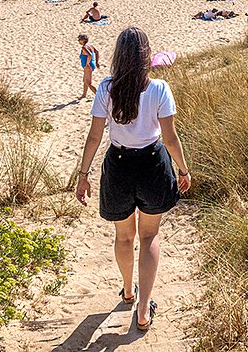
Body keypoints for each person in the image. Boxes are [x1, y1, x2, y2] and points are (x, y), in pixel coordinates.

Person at [75, 27, 190, 333]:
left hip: (119, 165)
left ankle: (128, 291)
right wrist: (183, 169)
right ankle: (143, 309)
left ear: (117, 57)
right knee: (149, 237)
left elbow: (94, 137)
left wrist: (83, 175)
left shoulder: (106, 89)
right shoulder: (159, 88)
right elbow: (170, 138)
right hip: (153, 164)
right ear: (146, 57)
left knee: (124, 236)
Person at [77, 34, 100, 98]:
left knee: (88, 83)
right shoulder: (90, 46)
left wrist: (87, 64)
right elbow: (97, 52)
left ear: (83, 40)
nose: (78, 41)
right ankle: (84, 95)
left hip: (88, 66)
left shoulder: (84, 47)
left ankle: (99, 96)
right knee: (85, 80)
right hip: (91, 65)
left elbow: (89, 55)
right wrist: (97, 62)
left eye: (79, 39)